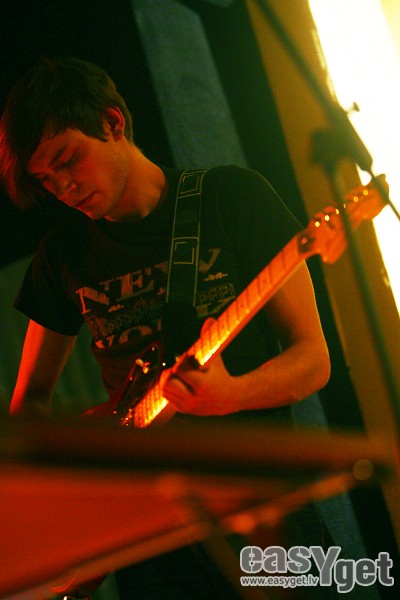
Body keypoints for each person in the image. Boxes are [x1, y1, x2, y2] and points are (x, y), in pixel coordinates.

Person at [0, 57, 330, 599]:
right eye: (45, 180)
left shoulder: (233, 198)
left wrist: (233, 394)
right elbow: (29, 407)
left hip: (261, 509)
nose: (63, 187)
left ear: (112, 122)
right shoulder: (62, 254)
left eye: (67, 159)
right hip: (148, 538)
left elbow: (313, 358)